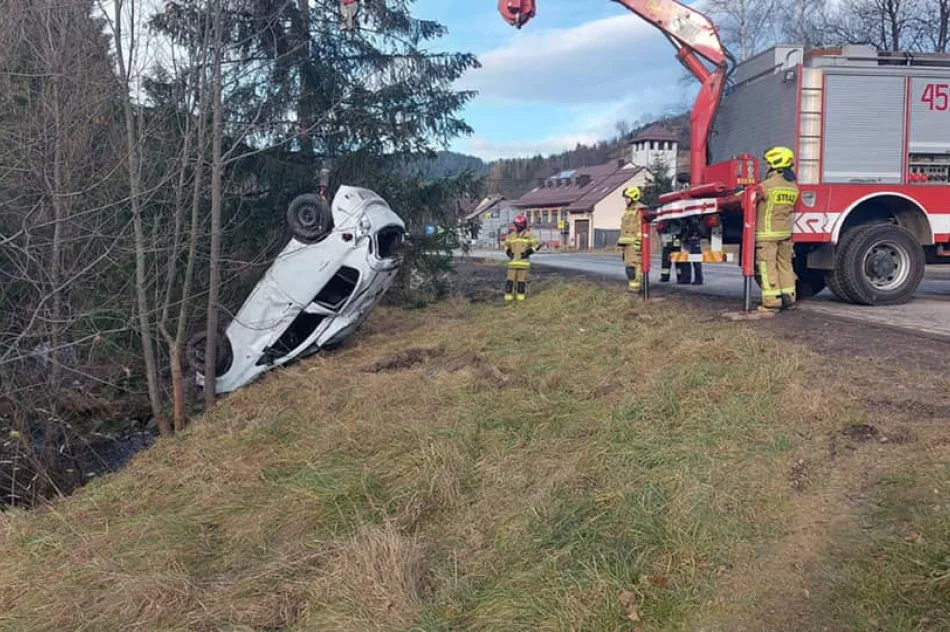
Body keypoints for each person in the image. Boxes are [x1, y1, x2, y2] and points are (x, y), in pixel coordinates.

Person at [755, 146, 800, 312]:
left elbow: (747, 198)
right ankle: (789, 297)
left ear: (775, 162)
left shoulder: (767, 185)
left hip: (767, 234)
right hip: (785, 234)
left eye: (767, 163)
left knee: (767, 267)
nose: (766, 166)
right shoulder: (793, 187)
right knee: (786, 265)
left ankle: (772, 301)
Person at [503, 214, 540, 301]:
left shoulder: (529, 235)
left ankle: (520, 298)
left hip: (523, 263)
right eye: (515, 225)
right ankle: (508, 298)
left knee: (521, 281)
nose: (516, 227)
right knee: (509, 281)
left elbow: (537, 245)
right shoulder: (511, 235)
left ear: (522, 225)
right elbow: (505, 245)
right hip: (512, 263)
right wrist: (508, 251)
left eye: (517, 225)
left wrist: (529, 252)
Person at [618, 186, 645, 293]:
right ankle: (632, 287)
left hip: (634, 244)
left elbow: (641, 227)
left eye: (627, 198)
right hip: (626, 245)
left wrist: (639, 242)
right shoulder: (628, 210)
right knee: (629, 267)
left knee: (634, 267)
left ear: (634, 197)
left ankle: (636, 288)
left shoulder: (640, 209)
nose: (625, 200)